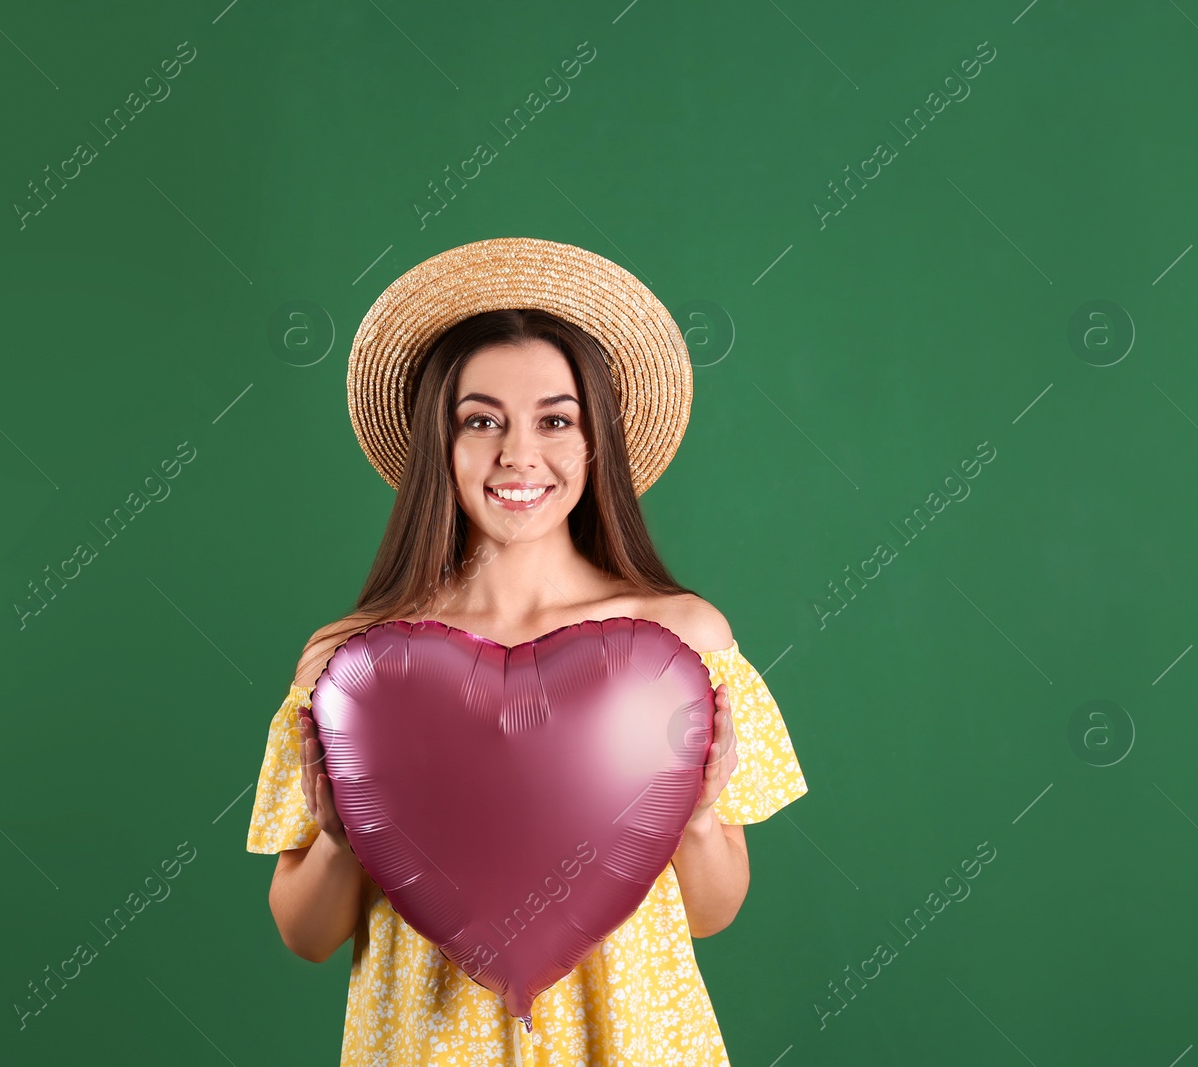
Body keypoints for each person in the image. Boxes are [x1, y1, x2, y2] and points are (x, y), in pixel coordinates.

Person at [247, 237, 808, 1066]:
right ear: (440, 441)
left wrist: (693, 816)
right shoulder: (351, 667)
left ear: (596, 442)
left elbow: (710, 911)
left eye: (555, 419)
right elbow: (305, 933)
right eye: (482, 420)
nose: (518, 454)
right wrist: (338, 837)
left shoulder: (682, 642)